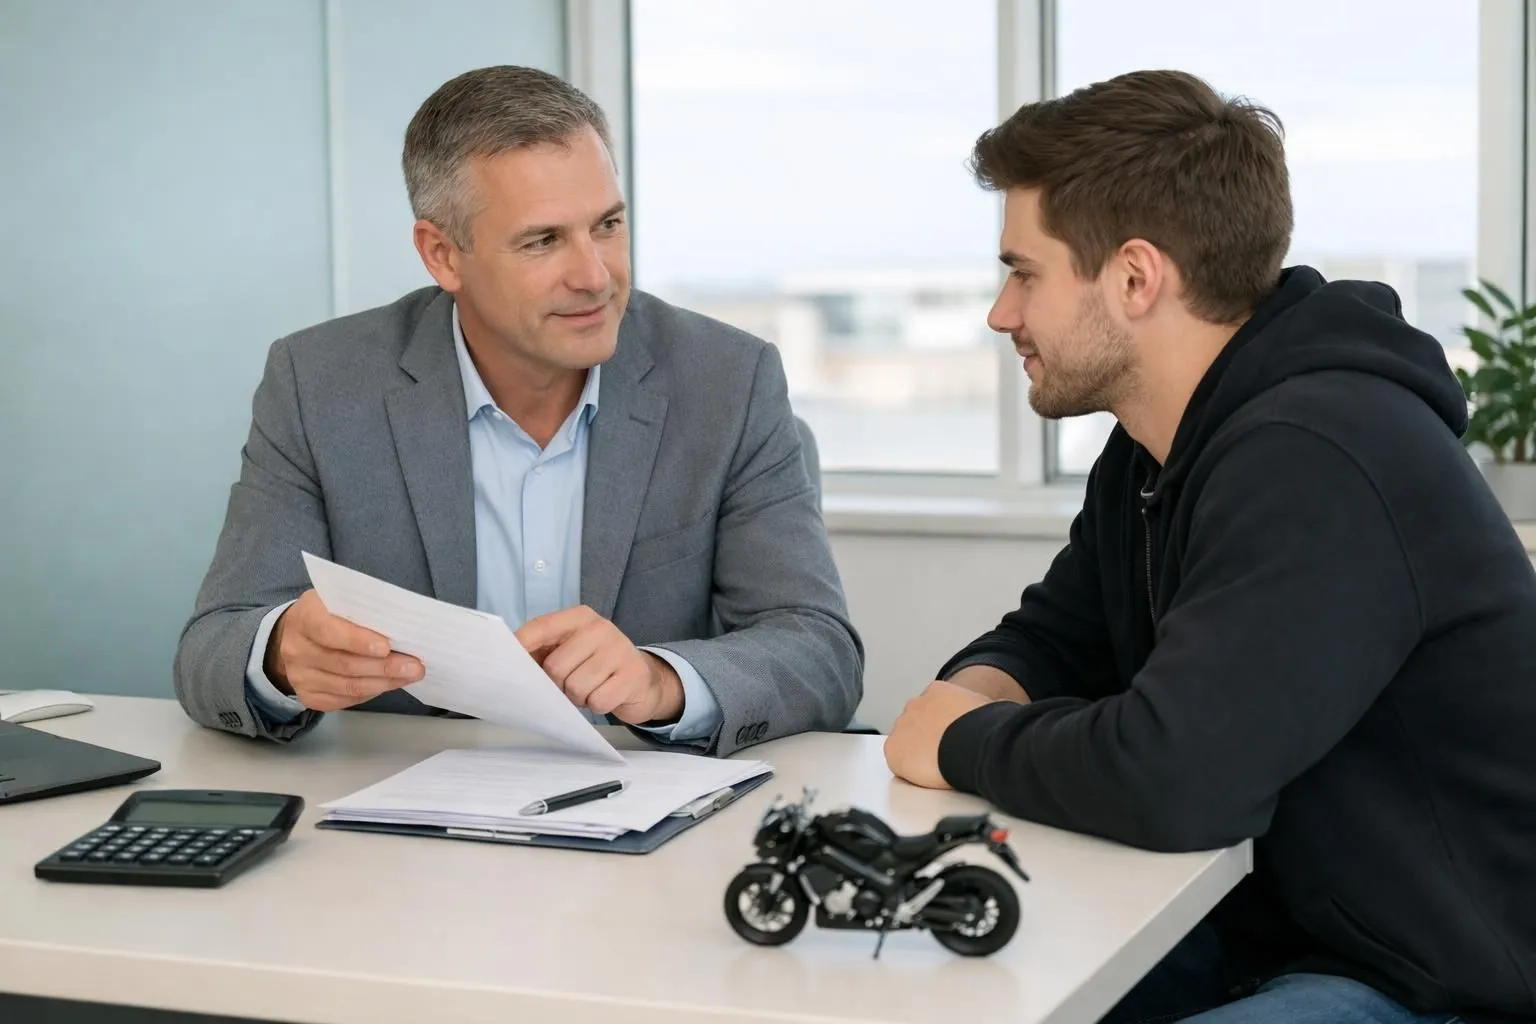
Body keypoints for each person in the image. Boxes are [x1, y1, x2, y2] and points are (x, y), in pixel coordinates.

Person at [883, 69, 1536, 1023]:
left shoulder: (1323, 452)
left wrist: (961, 738)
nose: (1001, 313)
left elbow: (1177, 779)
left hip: (1433, 976)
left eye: (1024, 272)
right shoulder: (1159, 443)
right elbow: (1060, 639)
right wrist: (980, 687)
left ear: (1136, 277)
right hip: (1261, 923)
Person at [174, 65, 863, 757]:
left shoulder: (727, 382)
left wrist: (662, 682)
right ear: (443, 255)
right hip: (396, 826)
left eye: (608, 225)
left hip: (646, 815)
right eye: (542, 241)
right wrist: (281, 654)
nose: (594, 275)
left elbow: (819, 650)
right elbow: (211, 647)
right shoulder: (320, 384)